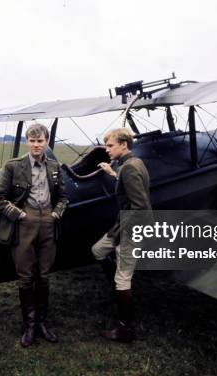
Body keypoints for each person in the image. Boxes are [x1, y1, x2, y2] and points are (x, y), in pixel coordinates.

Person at [0, 123, 68, 348]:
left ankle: (43, 323)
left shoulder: (54, 166)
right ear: (28, 142)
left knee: (44, 275)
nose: (36, 145)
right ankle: (30, 325)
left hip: (48, 222)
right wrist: (19, 214)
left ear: (46, 142)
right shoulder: (13, 166)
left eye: (40, 141)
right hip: (25, 223)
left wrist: (57, 213)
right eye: (32, 141)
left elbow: (64, 197)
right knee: (26, 276)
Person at [92, 127, 151, 342]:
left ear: (123, 145)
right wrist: (111, 172)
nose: (106, 149)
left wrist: (123, 236)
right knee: (97, 250)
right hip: (123, 225)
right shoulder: (133, 164)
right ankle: (115, 290)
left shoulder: (129, 168)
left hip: (131, 228)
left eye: (110, 145)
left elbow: (141, 207)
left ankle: (125, 329)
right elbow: (128, 185)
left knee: (123, 278)